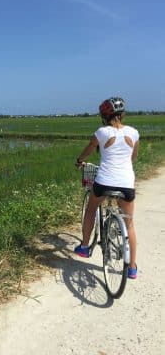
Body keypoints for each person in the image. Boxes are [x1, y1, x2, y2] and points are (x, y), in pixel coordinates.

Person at [74, 97, 139, 279]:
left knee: (91, 210)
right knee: (130, 224)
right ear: (122, 114)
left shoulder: (102, 132)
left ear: (104, 115)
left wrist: (79, 161)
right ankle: (132, 268)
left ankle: (85, 247)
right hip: (126, 184)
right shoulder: (134, 133)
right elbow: (132, 158)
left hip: (104, 182)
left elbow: (88, 149)